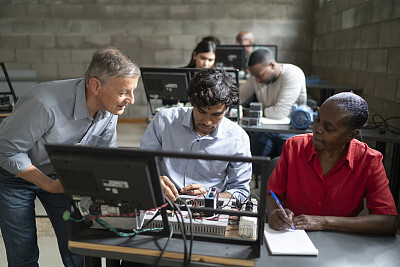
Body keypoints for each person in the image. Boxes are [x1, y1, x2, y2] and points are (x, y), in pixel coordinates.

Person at [0, 47, 140, 266]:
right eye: (123, 92)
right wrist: (48, 184)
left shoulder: (110, 108)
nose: (130, 100)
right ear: (95, 85)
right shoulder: (44, 103)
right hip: (12, 175)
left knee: (77, 245)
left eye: (133, 91)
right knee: (22, 251)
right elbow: (7, 151)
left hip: (60, 174)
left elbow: (104, 158)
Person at [267, 92, 398, 235]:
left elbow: (387, 222)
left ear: (351, 135)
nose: (318, 129)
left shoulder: (369, 161)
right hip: (292, 236)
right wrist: (274, 212)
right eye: (318, 119)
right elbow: (271, 195)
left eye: (329, 128)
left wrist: (324, 222)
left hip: (340, 240)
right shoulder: (294, 146)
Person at [140, 68, 252, 203]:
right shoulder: (164, 121)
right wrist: (153, 179)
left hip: (208, 207)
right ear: (192, 103)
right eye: (201, 111)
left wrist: (210, 197)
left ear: (227, 109)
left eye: (216, 114)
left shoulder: (238, 138)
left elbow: (241, 191)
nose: (207, 121)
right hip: (163, 201)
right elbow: (142, 166)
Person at [240, 49, 307, 160]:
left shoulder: (293, 73)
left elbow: (280, 113)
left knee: (287, 159)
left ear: (272, 65)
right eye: (254, 76)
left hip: (290, 129)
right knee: (253, 154)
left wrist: (252, 112)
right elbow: (238, 97)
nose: (257, 79)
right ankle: (258, 177)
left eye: (259, 75)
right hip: (265, 128)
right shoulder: (256, 77)